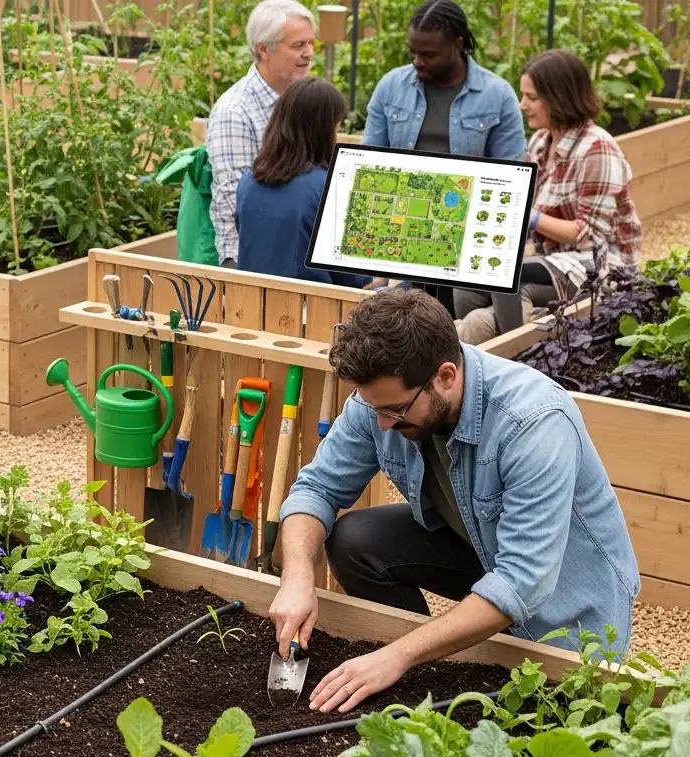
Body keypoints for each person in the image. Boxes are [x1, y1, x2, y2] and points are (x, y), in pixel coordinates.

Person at [267, 288, 638, 714]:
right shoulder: (382, 402)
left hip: (564, 605)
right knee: (355, 539)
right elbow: (317, 488)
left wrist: (398, 655)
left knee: (538, 718)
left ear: (445, 375)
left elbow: (522, 581)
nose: (383, 424)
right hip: (483, 552)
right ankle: (412, 665)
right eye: (376, 410)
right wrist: (297, 575)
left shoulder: (532, 422)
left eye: (396, 411)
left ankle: (406, 657)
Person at [453, 50, 643, 344]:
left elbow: (591, 238)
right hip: (553, 261)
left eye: (532, 97)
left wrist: (530, 218)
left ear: (559, 97)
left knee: (510, 278)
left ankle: (520, 357)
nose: (522, 105)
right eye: (523, 95)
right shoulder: (541, 142)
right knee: (471, 277)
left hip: (600, 266)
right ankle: (489, 347)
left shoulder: (597, 149)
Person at [362, 0, 525, 311]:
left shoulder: (496, 95)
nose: (417, 61)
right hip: (402, 220)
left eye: (428, 54)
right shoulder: (391, 88)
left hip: (464, 227)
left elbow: (510, 178)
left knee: (448, 314)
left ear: (458, 45)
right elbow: (370, 164)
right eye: (412, 52)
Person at [204, 0, 316, 267]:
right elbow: (233, 205)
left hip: (299, 250)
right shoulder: (235, 112)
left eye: (312, 43)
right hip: (258, 261)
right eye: (298, 45)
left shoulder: (304, 99)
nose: (309, 53)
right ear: (264, 49)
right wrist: (240, 273)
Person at [236, 76, 371, 289]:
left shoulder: (247, 182)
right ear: (322, 132)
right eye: (335, 129)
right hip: (311, 312)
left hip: (250, 306)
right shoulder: (327, 187)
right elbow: (352, 279)